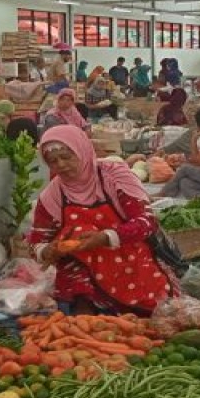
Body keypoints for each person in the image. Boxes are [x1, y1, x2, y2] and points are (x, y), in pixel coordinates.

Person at [27, 125, 178, 315]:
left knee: (157, 310)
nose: (61, 165)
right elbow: (36, 241)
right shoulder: (53, 195)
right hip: (82, 269)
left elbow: (147, 222)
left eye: (66, 157)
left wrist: (106, 237)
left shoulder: (114, 176)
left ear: (82, 150)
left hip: (129, 255)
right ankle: (85, 316)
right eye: (53, 161)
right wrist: (46, 251)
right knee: (75, 240)